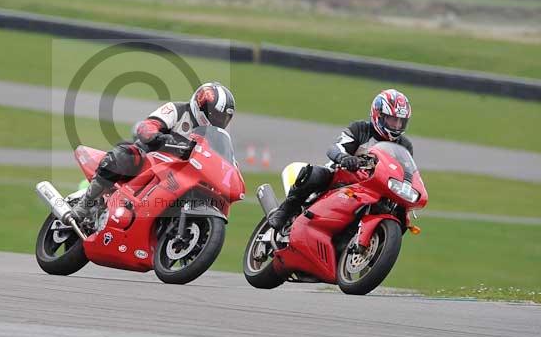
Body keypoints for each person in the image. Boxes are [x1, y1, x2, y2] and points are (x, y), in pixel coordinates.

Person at [70, 82, 235, 223]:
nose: (219, 122)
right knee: (127, 155)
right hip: (151, 160)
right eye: (216, 116)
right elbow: (146, 126)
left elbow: (220, 159)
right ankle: (86, 204)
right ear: (202, 106)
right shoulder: (177, 110)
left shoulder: (213, 136)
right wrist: (160, 137)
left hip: (181, 175)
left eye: (223, 119)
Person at [267, 89, 413, 230]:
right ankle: (284, 211)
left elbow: (407, 174)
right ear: (378, 115)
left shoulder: (404, 146)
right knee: (314, 174)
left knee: (402, 214)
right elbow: (335, 148)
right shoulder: (360, 129)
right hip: (342, 178)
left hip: (375, 189)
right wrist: (345, 158)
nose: (397, 126)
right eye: (392, 120)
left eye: (401, 122)